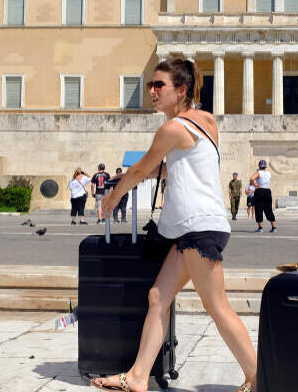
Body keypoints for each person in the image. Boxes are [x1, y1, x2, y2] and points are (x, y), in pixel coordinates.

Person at [95, 58, 257, 392]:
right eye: (151, 85)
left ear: (180, 91)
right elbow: (172, 169)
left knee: (217, 306)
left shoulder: (172, 128)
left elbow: (142, 168)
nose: (151, 91)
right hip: (194, 228)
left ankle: (259, 377)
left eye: (159, 86)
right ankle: (138, 376)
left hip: (199, 228)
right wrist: (126, 178)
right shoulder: (206, 122)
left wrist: (113, 198)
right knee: (158, 296)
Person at [249, 160, 277, 234]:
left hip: (260, 191)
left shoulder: (259, 172)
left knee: (259, 209)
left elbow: (251, 178)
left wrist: (255, 185)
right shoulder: (268, 173)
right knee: (269, 209)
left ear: (259, 166)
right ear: (265, 166)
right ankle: (274, 228)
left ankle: (260, 228)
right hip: (267, 191)